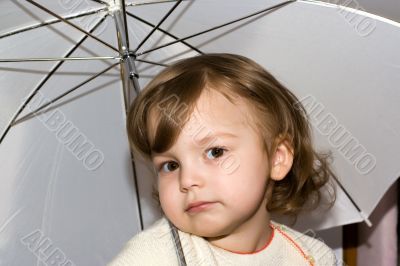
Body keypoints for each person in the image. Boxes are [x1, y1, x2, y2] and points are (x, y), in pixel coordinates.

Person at [109, 53, 336, 265]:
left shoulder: (312, 257)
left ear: (277, 158)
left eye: (215, 152)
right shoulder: (150, 257)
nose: (187, 180)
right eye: (171, 165)